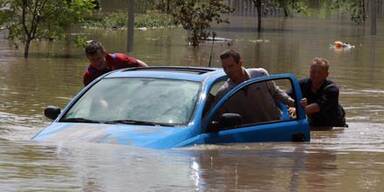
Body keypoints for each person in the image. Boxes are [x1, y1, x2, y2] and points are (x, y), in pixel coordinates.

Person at [214, 49, 294, 126]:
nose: (228, 71)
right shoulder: (223, 93)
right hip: (250, 133)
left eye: (231, 66)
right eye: (224, 68)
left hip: (275, 125)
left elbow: (276, 93)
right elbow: (217, 118)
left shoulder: (260, 74)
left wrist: (295, 104)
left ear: (240, 63)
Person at [298, 57, 346, 128]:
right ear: (309, 71)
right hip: (314, 123)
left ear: (327, 74)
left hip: (334, 126)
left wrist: (298, 109)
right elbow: (287, 97)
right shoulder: (302, 84)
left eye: (319, 72)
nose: (316, 75)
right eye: (313, 72)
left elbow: (318, 106)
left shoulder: (332, 89)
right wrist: (294, 104)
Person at [83, 40, 148, 86]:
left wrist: (147, 82)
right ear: (88, 58)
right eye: (92, 60)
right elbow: (94, 96)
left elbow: (139, 64)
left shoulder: (118, 59)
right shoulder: (89, 75)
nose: (96, 62)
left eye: (99, 58)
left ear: (104, 54)